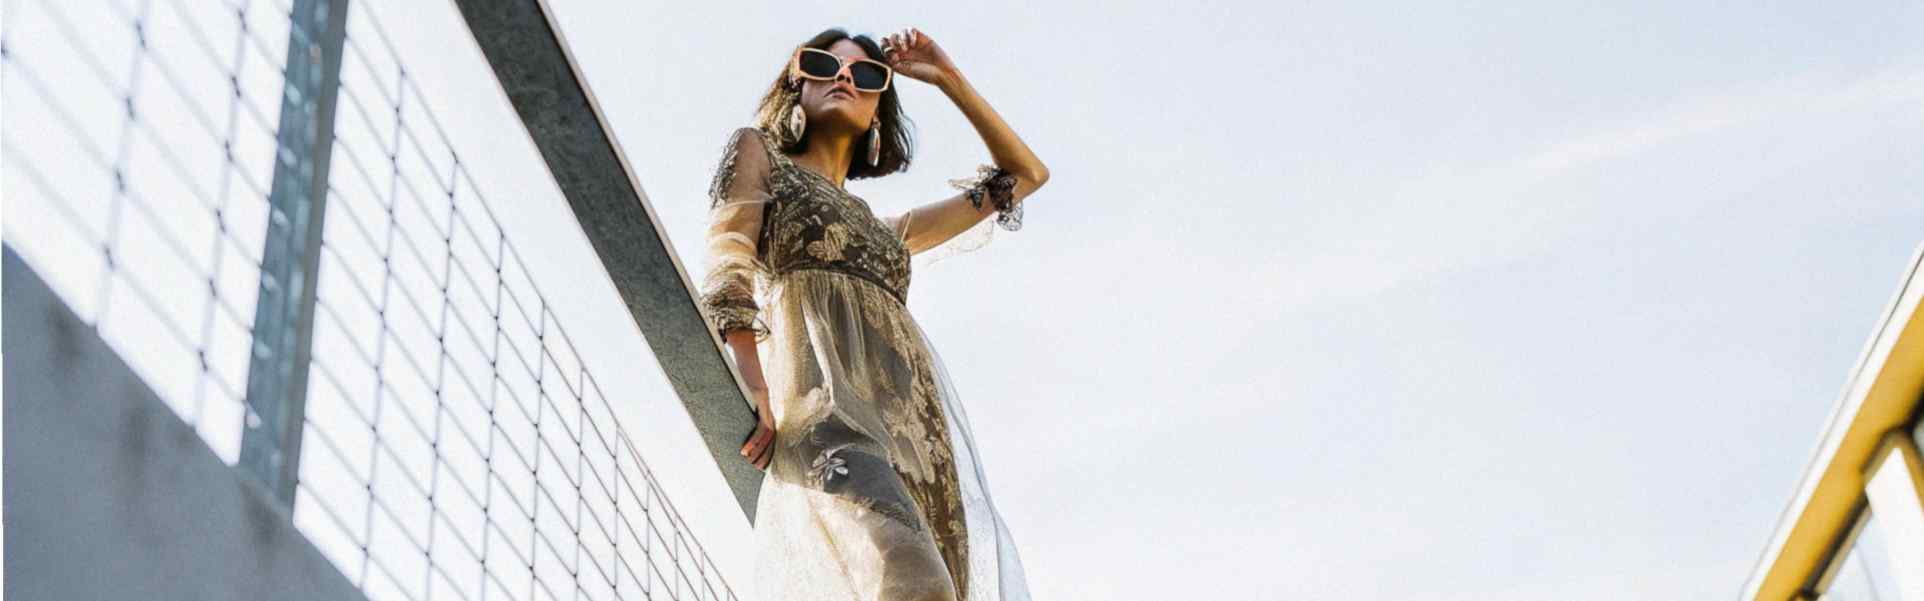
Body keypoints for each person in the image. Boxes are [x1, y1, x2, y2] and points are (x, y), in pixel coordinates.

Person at [697, 26, 1049, 601]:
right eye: (823, 64)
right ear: (796, 80)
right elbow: (729, 249)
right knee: (915, 576)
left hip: (915, 435)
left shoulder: (887, 235)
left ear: (878, 109)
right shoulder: (759, 151)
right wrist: (748, 367)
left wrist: (948, 78)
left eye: (865, 75)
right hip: (828, 409)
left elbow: (1025, 176)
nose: (842, 77)